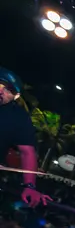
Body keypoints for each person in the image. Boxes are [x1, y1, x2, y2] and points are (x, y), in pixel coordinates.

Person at [0, 67, 50, 207]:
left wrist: (30, 186)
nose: (1, 91)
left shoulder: (18, 117)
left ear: (16, 96)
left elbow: (27, 152)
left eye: (8, 90)